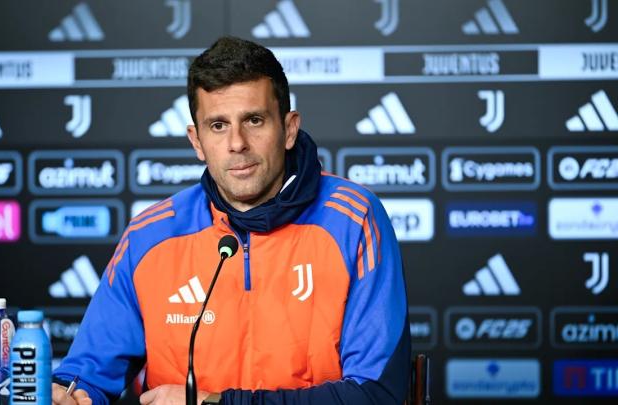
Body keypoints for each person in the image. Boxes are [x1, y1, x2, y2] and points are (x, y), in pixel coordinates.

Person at [52, 36, 410, 405]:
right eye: (218, 125)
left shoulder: (353, 220)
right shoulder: (149, 236)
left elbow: (375, 393)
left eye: (254, 120)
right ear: (197, 141)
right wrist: (68, 395)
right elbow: (87, 377)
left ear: (288, 129)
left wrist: (215, 403)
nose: (237, 143)